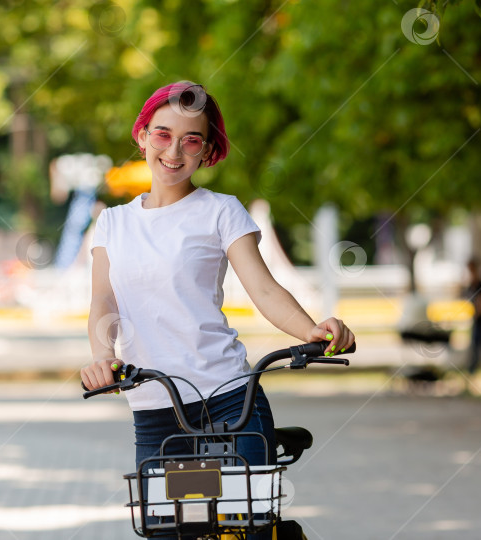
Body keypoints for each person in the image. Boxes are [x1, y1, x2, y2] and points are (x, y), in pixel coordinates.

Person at [80, 81, 355, 538]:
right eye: (163, 134)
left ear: (206, 151)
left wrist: (312, 331)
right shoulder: (113, 222)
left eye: (191, 140)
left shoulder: (221, 211)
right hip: (155, 408)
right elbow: (103, 302)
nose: (174, 150)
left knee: (245, 527)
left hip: (230, 401)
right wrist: (100, 358)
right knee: (171, 532)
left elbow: (264, 289)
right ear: (143, 135)